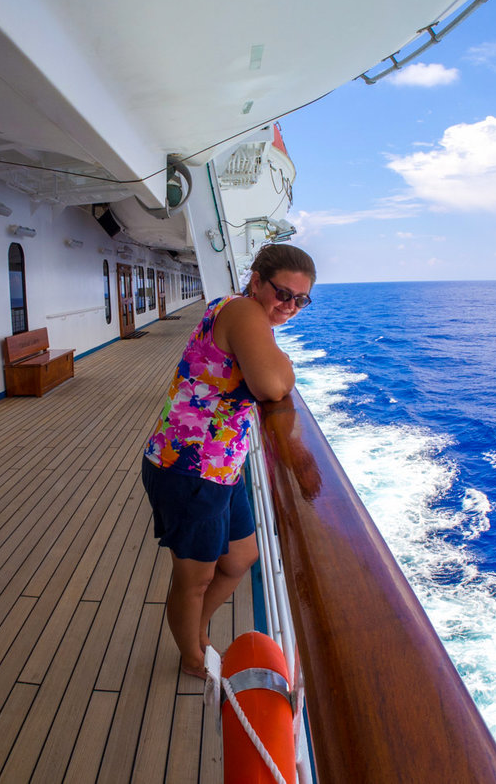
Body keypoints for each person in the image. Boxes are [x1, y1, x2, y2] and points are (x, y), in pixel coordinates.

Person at [140, 244, 316, 677]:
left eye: (300, 300)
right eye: (282, 293)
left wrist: (279, 363)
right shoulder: (243, 313)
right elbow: (271, 386)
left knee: (240, 558)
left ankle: (195, 629)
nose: (289, 306)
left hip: (220, 468)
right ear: (256, 280)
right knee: (194, 577)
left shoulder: (246, 313)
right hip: (187, 469)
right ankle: (193, 657)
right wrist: (285, 367)